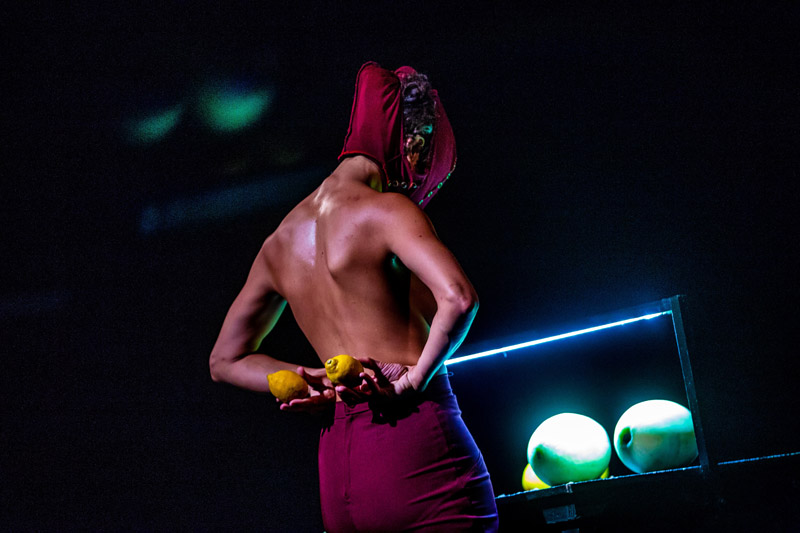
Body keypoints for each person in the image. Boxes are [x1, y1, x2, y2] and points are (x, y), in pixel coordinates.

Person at [209, 61, 499, 532]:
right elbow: (460, 299)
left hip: (339, 470)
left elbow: (224, 360)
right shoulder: (386, 211)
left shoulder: (279, 240)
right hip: (415, 446)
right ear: (411, 143)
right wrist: (413, 381)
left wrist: (310, 379)